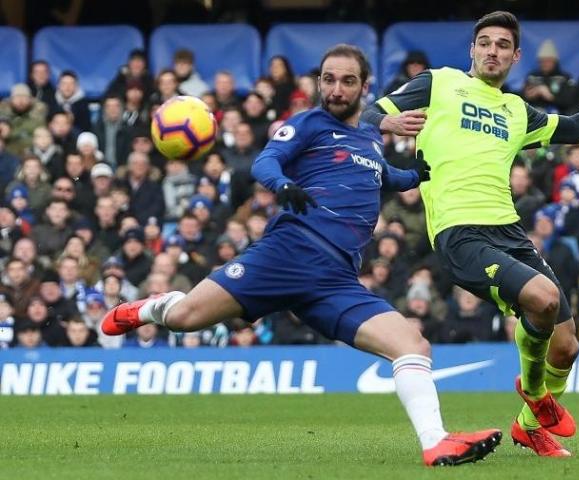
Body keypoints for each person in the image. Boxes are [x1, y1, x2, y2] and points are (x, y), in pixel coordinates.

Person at [102, 44, 501, 467]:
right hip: (287, 254)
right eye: (328, 79)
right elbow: (266, 161)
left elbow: (382, 176)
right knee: (184, 319)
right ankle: (151, 307)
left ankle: (436, 442)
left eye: (347, 81)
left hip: (335, 280)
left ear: (364, 86)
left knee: (413, 344)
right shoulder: (309, 124)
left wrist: (414, 175)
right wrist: (282, 186)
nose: (336, 88)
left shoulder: (369, 137)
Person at [363, 10, 579, 456]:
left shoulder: (517, 111)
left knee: (566, 346)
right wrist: (384, 122)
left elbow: (576, 129)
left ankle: (526, 427)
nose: (492, 51)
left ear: (516, 56)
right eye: (484, 43)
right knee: (543, 298)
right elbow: (368, 112)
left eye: (502, 45)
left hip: (509, 231)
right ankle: (536, 398)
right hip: (460, 232)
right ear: (472, 50)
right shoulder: (438, 83)